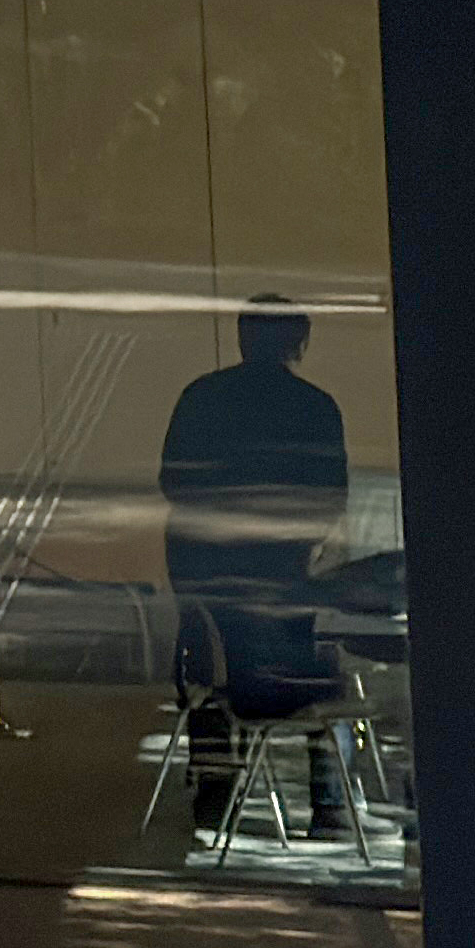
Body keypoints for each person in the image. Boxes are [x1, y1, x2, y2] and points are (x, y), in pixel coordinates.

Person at [158, 300, 360, 840]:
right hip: (281, 573)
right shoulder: (315, 408)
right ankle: (332, 805)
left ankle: (215, 790)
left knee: (209, 663)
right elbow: (329, 497)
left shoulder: (200, 397)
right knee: (323, 664)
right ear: (298, 345)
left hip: (198, 564)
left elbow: (173, 481)